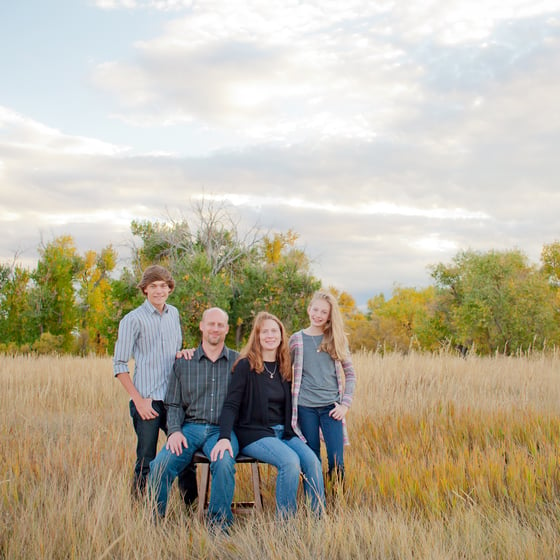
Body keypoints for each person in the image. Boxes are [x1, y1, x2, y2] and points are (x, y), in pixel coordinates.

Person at [211, 311, 325, 517]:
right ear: (257, 336)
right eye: (265, 331)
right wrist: (224, 437)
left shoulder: (285, 366)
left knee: (312, 462)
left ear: (282, 336)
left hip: (285, 433)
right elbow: (231, 405)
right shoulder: (246, 365)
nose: (270, 335)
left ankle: (317, 521)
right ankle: (285, 527)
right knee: (290, 462)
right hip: (255, 433)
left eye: (274, 331)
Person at [113, 265, 197, 504]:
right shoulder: (132, 320)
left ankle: (191, 509)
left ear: (169, 288)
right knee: (146, 459)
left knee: (184, 454)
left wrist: (183, 354)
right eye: (153, 286)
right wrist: (138, 401)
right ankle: (140, 510)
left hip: (173, 400)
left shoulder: (174, 314)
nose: (159, 291)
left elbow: (172, 354)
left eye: (163, 286)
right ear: (145, 290)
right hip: (147, 401)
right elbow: (119, 364)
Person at [148, 307, 239, 528]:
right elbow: (173, 403)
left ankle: (219, 526)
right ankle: (154, 523)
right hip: (189, 429)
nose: (215, 329)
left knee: (224, 462)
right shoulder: (183, 362)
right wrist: (175, 431)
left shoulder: (238, 362)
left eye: (220, 325)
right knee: (160, 465)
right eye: (211, 324)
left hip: (222, 431)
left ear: (226, 329)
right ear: (202, 326)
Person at [289, 290, 356, 482]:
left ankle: (337, 503)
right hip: (305, 407)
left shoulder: (336, 338)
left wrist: (345, 405)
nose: (318, 315)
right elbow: (284, 370)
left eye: (323, 312)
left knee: (337, 461)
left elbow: (350, 374)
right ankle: (315, 505)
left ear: (329, 315)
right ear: (309, 309)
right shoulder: (297, 340)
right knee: (312, 458)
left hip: (331, 408)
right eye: (315, 309)